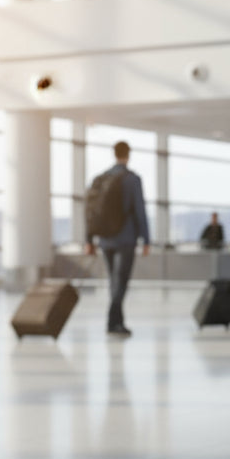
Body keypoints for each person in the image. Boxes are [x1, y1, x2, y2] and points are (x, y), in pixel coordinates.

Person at [84, 141, 150, 337]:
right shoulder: (132, 179)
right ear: (128, 154)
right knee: (120, 282)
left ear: (114, 154)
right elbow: (140, 210)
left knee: (113, 280)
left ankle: (118, 321)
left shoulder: (100, 178)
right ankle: (113, 322)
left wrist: (89, 239)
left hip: (105, 240)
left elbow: (90, 211)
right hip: (125, 238)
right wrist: (146, 239)